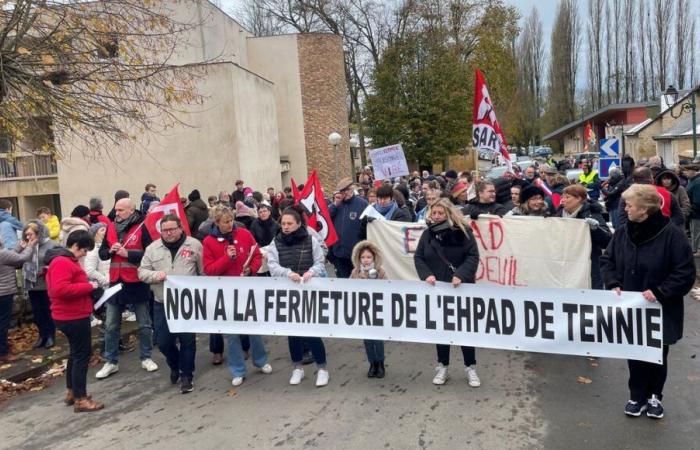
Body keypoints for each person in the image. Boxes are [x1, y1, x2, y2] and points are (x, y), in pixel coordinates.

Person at [600, 184, 695, 419]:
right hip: (631, 306)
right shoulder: (623, 232)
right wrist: (613, 282)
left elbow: (684, 272)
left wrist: (661, 291)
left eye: (629, 205)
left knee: (657, 353)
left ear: (644, 209)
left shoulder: (672, 235)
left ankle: (655, 396)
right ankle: (637, 395)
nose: (625, 209)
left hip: (661, 306)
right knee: (635, 351)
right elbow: (607, 261)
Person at [414, 198, 481, 387]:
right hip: (438, 290)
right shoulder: (427, 234)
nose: (436, 217)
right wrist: (426, 275)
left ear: (449, 214)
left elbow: (473, 256)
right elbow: (419, 257)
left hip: (461, 288)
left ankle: (470, 367)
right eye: (433, 213)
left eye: (440, 213)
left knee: (464, 330)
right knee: (441, 330)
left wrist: (461, 275)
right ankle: (442, 365)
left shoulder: (463, 233)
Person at [202, 207, 270, 383]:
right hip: (225, 294)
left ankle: (261, 361)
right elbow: (209, 270)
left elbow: (256, 255)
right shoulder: (209, 242)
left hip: (247, 289)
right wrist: (226, 258)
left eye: (231, 220)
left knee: (254, 328)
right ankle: (238, 370)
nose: (230, 224)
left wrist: (251, 269)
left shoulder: (245, 234)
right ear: (216, 223)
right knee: (232, 334)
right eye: (225, 222)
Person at [139, 215, 203, 394]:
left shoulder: (194, 245)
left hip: (188, 302)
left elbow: (203, 272)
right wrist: (155, 276)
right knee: (163, 341)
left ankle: (186, 375)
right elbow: (142, 272)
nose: (168, 233)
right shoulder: (152, 249)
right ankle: (175, 365)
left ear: (180, 227)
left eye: (172, 229)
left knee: (187, 340)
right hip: (162, 302)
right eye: (165, 230)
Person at [96, 198, 157, 379]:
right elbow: (102, 253)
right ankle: (111, 361)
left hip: (137, 281)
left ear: (131, 210)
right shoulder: (111, 227)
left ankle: (146, 357)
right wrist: (111, 251)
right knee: (111, 324)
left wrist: (128, 253)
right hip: (116, 281)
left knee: (144, 323)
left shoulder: (142, 227)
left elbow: (150, 253)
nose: (117, 213)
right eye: (116, 210)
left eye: (121, 210)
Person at [267, 207, 329, 386]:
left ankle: (322, 368)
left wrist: (311, 272)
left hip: (308, 291)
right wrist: (287, 273)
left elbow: (320, 261)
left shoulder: (311, 240)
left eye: (289, 223)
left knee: (312, 331)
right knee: (292, 332)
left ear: (298, 224)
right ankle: (297, 367)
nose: (285, 227)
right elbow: (272, 266)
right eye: (283, 223)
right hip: (287, 293)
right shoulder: (275, 242)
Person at [45, 230, 104, 412]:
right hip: (72, 316)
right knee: (81, 357)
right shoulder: (62, 262)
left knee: (75, 354)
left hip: (70, 315)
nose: (85, 254)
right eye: (84, 250)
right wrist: (89, 286)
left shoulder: (64, 260)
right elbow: (59, 290)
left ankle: (72, 392)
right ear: (76, 245)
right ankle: (80, 398)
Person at [556, 185, 611, 289]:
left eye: (567, 197)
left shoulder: (592, 213)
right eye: (562, 197)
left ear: (579, 199)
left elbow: (607, 241)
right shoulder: (558, 215)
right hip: (566, 262)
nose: (563, 200)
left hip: (589, 263)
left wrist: (596, 229)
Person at [350, 240, 388, 378]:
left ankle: (380, 363)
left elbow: (388, 288)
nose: (366, 260)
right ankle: (372, 363)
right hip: (362, 311)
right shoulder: (355, 272)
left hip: (376, 311)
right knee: (367, 339)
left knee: (377, 339)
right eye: (363, 257)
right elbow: (349, 289)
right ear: (358, 258)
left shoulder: (380, 272)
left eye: (369, 257)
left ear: (374, 258)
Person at [0, 232, 36, 362]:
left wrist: (19, 247)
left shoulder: (3, 253)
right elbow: (21, 259)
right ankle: (3, 353)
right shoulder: (2, 254)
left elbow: (11, 256)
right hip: (4, 293)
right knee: (3, 324)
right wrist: (30, 246)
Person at [22, 221, 58, 348]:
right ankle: (42, 335)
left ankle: (50, 335)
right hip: (32, 284)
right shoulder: (27, 245)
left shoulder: (52, 245)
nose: (28, 237)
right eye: (26, 234)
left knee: (47, 310)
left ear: (39, 233)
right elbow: (19, 259)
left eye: (30, 234)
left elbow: (59, 262)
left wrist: (47, 269)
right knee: (37, 312)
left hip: (46, 284)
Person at [618, 167, 684, 229]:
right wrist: (666, 228)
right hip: (665, 235)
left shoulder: (627, 195)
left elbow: (622, 220)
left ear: (633, 180)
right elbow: (679, 217)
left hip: (639, 237)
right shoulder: (667, 194)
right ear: (651, 178)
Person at [329, 178, 368, 278]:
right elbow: (326, 220)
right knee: (343, 283)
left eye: (347, 190)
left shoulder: (362, 204)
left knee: (357, 283)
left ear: (352, 189)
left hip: (356, 253)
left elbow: (367, 228)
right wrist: (335, 205)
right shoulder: (337, 205)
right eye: (342, 191)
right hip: (339, 253)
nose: (344, 194)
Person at [685, 165, 700, 255]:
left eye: (687, 171)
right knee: (694, 231)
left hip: (697, 212)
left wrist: (692, 209)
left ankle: (697, 249)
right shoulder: (693, 181)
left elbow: (698, 200)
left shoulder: (697, 182)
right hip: (694, 211)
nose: (685, 173)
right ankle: (695, 248)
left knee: (697, 231)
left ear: (693, 171)